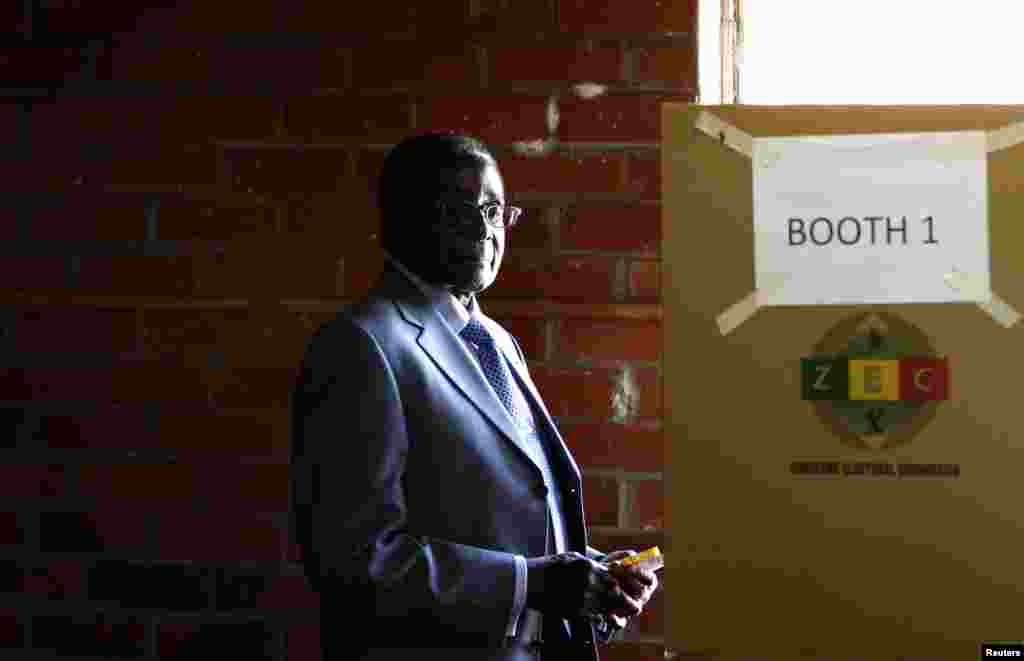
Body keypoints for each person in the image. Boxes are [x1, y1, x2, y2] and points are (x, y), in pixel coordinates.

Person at [289, 132, 659, 661]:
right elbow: (355, 559)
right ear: (403, 219)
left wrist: (591, 575)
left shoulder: (495, 340)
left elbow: (497, 518)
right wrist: (530, 585)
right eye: (460, 210)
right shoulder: (362, 346)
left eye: (494, 210)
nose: (485, 230)